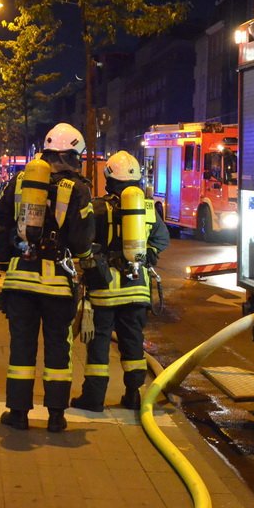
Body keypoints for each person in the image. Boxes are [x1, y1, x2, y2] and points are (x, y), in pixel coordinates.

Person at [0, 123, 95, 432]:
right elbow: (80, 241)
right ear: (74, 155)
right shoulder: (77, 188)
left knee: (21, 347)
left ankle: (19, 414)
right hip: (57, 284)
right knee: (58, 348)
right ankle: (56, 416)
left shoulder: (19, 180)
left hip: (20, 279)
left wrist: (3, 261)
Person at [70, 150, 169, 412]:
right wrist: (147, 256)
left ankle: (93, 399)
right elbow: (162, 239)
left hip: (104, 290)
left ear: (109, 180)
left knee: (99, 345)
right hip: (137, 289)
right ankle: (134, 395)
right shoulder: (147, 208)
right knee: (133, 343)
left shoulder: (97, 206)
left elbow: (82, 240)